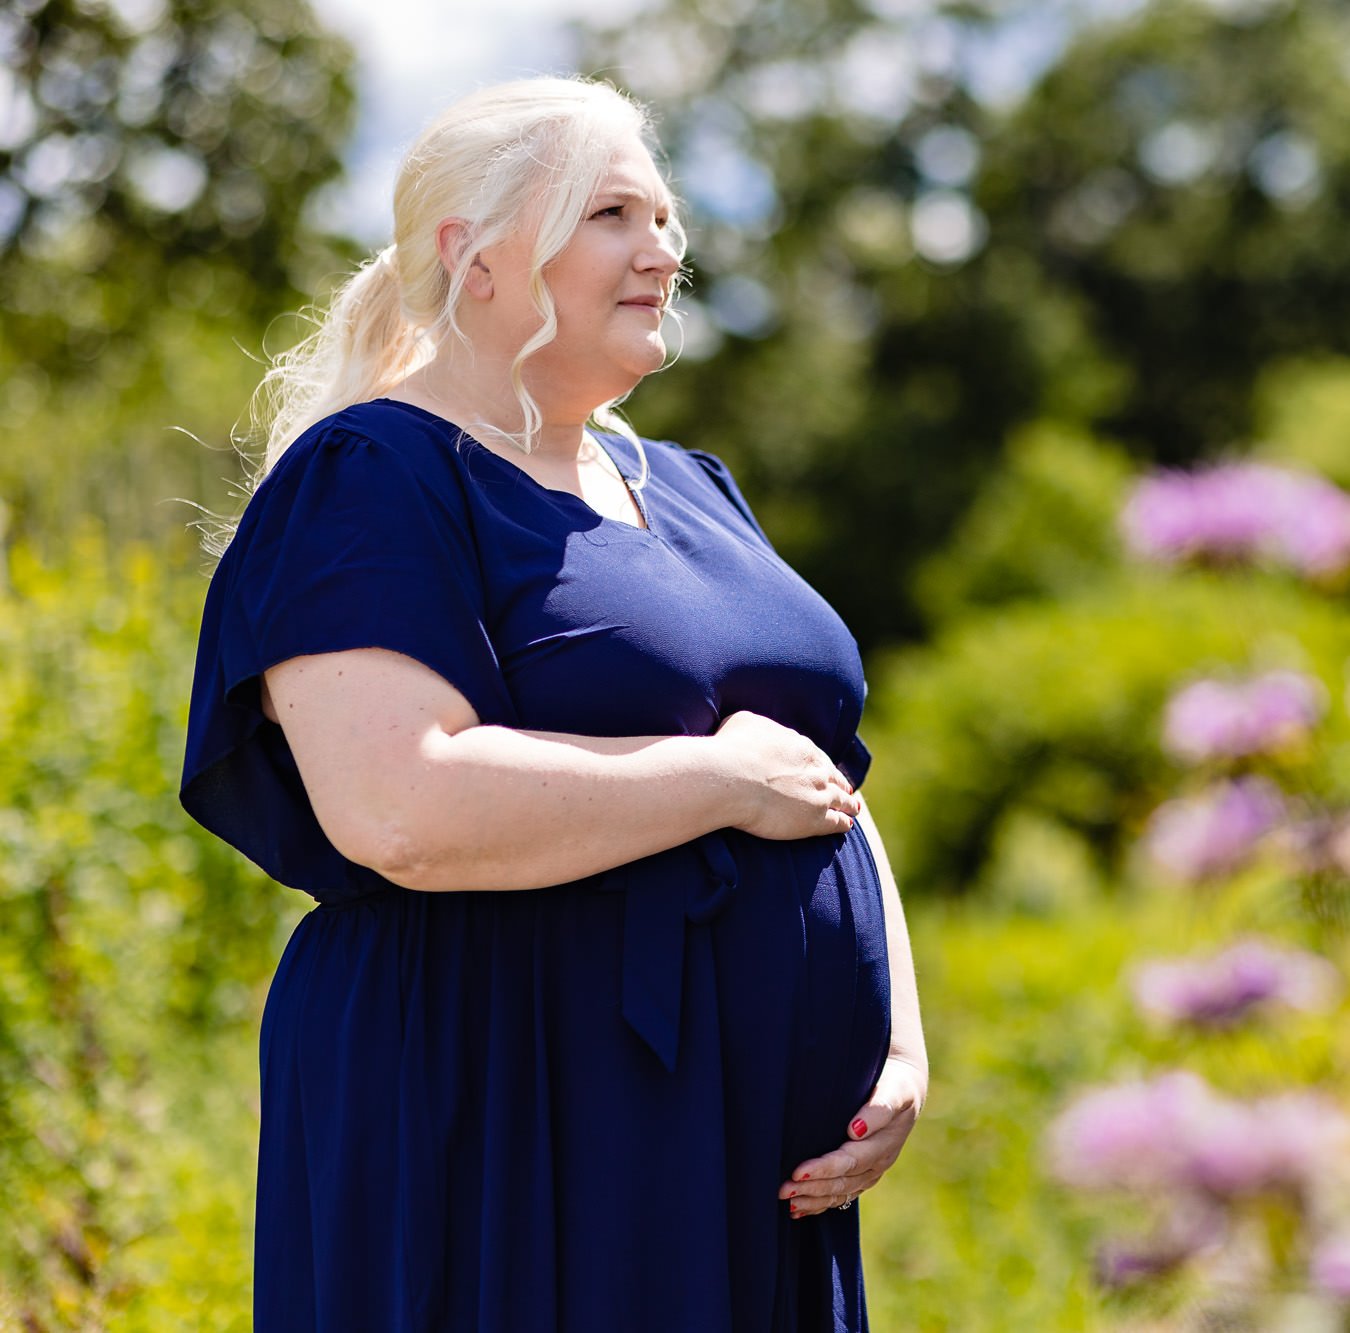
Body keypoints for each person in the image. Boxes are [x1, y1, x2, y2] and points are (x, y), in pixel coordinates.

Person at [178, 75, 926, 1332]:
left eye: (665, 215)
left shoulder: (692, 486)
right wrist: (719, 782)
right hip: (505, 1094)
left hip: (748, 1148)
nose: (664, 248)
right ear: (471, 255)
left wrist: (896, 1041)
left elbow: (822, 784)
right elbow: (396, 804)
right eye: (612, 215)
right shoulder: (375, 473)